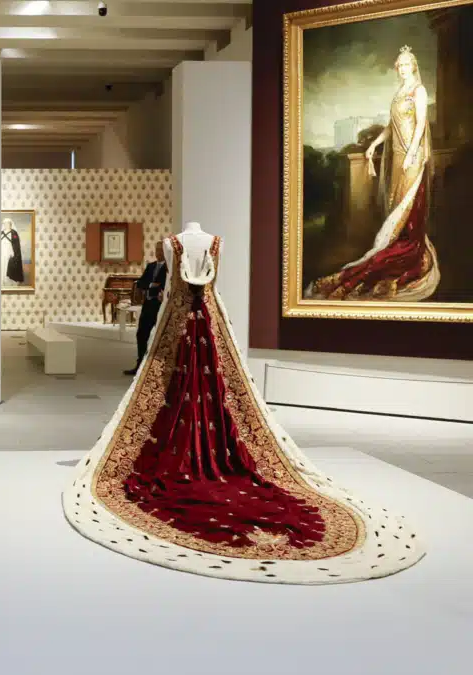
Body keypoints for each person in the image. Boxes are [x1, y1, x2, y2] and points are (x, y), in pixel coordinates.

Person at [63, 222, 425, 583]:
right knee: (200, 388)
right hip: (208, 323)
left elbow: (177, 288)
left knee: (183, 390)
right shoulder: (212, 244)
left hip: (177, 322)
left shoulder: (177, 244)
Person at [307, 44, 438, 302]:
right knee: (397, 203)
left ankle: (409, 248)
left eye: (406, 64)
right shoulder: (399, 94)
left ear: (413, 66)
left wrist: (412, 153)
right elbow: (392, 127)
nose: (402, 69)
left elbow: (421, 125)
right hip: (398, 155)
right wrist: (374, 145)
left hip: (411, 157)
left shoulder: (418, 91)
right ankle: (397, 243)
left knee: (408, 206)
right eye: (399, 65)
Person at [124, 241, 167, 376]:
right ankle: (140, 365)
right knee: (141, 334)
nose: (158, 253)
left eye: (161, 250)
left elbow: (165, 285)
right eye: (157, 250)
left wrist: (153, 286)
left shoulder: (169, 268)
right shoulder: (151, 266)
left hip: (161, 306)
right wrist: (152, 285)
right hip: (148, 305)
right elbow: (141, 283)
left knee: (161, 337)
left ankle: (158, 367)